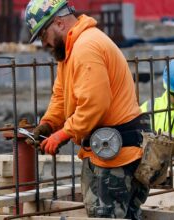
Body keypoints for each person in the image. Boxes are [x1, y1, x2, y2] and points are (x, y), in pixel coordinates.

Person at [25, 0, 151, 218]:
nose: (44, 44)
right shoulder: (70, 50)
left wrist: (64, 133)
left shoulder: (86, 48)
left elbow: (95, 104)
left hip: (116, 159)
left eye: (43, 35)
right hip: (110, 153)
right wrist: (49, 123)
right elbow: (61, 95)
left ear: (58, 23)